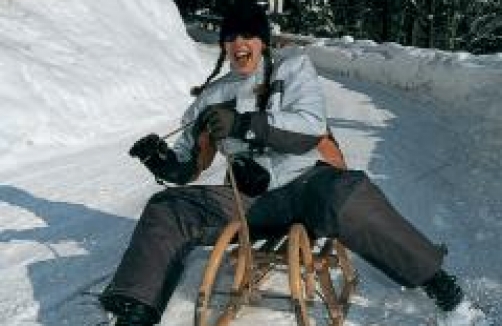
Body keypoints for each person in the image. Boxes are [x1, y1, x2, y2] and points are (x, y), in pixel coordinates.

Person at [99, 1, 466, 325]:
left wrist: (244, 124)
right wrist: (161, 161)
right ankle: (136, 310)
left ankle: (435, 280)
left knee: (349, 193)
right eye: (231, 37)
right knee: (167, 208)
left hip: (306, 183)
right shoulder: (211, 96)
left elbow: (310, 126)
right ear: (223, 44)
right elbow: (188, 164)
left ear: (262, 40)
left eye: (248, 35)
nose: (239, 44)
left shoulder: (292, 69)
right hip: (249, 201)